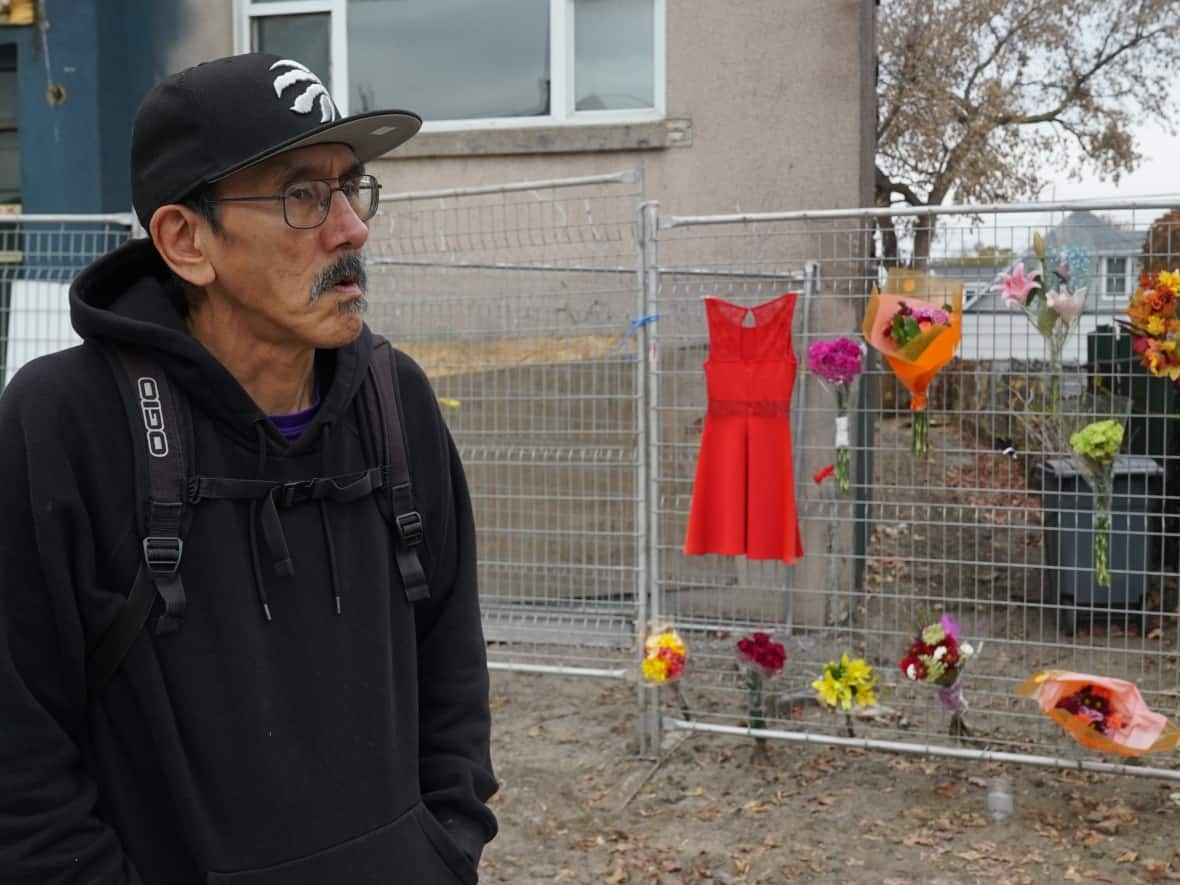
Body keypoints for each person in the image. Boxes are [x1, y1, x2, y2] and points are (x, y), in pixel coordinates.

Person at [0, 53, 497, 884]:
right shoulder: (63, 426)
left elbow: (453, 668)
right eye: (303, 195)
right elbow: (19, 759)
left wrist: (440, 850)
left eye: (351, 187)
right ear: (185, 240)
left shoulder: (395, 403)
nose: (351, 228)